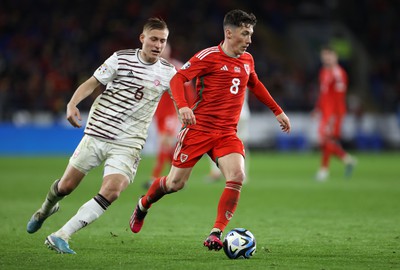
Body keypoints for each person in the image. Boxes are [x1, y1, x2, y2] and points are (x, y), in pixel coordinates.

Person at [129, 9, 291, 251]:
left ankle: (216, 233)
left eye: (251, 34)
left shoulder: (247, 60)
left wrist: (277, 110)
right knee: (174, 184)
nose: (249, 40)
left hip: (226, 133)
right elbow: (177, 79)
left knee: (237, 177)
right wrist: (183, 106)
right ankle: (143, 204)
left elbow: (255, 84)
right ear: (229, 32)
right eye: (245, 33)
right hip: (198, 129)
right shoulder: (208, 56)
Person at [26, 18, 176, 254]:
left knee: (113, 190)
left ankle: (61, 234)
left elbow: (183, 98)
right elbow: (92, 83)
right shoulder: (121, 58)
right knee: (65, 187)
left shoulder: (168, 72)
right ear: (142, 38)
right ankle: (45, 210)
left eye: (163, 40)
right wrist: (72, 103)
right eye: (154, 39)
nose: (158, 44)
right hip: (98, 133)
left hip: (128, 143)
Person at [143, 44, 195, 189]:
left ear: (169, 51)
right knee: (167, 147)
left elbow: (189, 91)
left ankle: (155, 177)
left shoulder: (178, 68)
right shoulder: (150, 68)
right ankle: (179, 175)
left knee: (165, 142)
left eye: (165, 48)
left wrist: (189, 109)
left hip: (173, 112)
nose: (161, 50)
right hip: (158, 112)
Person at [313, 45, 356, 181]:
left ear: (335, 56)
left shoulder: (339, 74)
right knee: (325, 141)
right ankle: (347, 159)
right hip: (326, 112)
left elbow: (339, 97)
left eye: (329, 55)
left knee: (326, 139)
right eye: (324, 56)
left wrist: (334, 116)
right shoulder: (323, 72)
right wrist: (317, 109)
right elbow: (323, 94)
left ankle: (324, 170)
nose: (326, 58)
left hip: (334, 113)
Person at [207, 94, 250, 182]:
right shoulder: (246, 79)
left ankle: (216, 172)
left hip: (226, 111)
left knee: (214, 141)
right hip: (242, 111)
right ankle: (242, 174)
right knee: (241, 144)